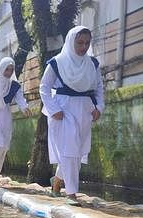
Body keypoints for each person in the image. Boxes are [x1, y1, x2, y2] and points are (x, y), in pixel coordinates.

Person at [39, 26, 104, 203]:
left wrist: (99, 107)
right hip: (63, 109)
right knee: (69, 150)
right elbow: (44, 88)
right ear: (70, 41)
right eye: (80, 43)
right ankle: (71, 193)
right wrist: (54, 109)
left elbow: (99, 88)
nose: (83, 47)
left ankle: (57, 183)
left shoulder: (93, 64)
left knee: (77, 152)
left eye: (87, 43)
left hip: (85, 110)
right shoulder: (57, 62)